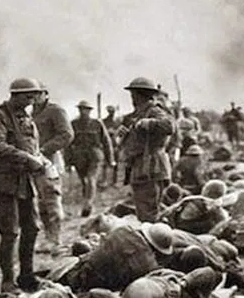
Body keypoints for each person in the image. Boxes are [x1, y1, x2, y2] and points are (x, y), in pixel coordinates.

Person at [0, 78, 49, 298]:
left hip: (24, 180)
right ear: (16, 95)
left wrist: (39, 159)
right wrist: (28, 159)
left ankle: (26, 276)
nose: (31, 100)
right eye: (28, 96)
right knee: (9, 232)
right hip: (2, 182)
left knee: (32, 227)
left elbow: (32, 145)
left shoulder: (27, 117)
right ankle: (7, 282)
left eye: (33, 96)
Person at [119, 77, 175, 221]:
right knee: (145, 212)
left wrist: (148, 123)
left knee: (148, 214)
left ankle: (153, 239)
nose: (132, 98)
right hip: (140, 168)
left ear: (140, 95)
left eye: (133, 95)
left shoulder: (154, 111)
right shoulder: (136, 114)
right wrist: (124, 135)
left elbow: (169, 126)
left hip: (151, 167)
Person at [33, 84, 73, 253]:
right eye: (31, 94)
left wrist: (45, 149)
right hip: (35, 162)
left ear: (46, 94)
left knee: (51, 199)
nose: (34, 97)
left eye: (38, 94)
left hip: (50, 161)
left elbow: (67, 134)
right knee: (41, 202)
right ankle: (48, 238)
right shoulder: (31, 113)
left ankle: (55, 239)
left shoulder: (55, 111)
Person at [67, 100, 113, 218]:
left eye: (86, 109)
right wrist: (68, 161)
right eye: (81, 109)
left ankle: (88, 204)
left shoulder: (97, 124)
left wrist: (110, 159)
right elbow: (68, 143)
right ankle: (86, 202)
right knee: (84, 181)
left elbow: (106, 141)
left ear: (90, 111)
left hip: (95, 155)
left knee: (90, 179)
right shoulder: (73, 124)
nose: (83, 112)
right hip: (79, 156)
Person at [101, 104, 120, 189]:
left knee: (116, 164)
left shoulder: (117, 122)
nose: (111, 113)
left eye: (112, 112)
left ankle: (114, 181)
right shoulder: (104, 121)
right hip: (107, 145)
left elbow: (120, 132)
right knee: (105, 163)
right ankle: (104, 180)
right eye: (110, 111)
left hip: (115, 144)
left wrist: (115, 132)